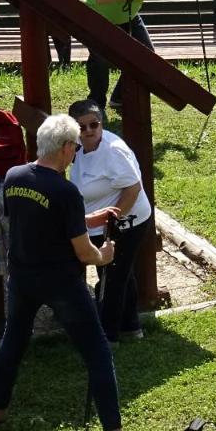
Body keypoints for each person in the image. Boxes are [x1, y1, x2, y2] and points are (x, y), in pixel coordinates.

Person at [0, 114, 146, 431]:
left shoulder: (14, 177)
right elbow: (84, 252)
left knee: (12, 343)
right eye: (74, 145)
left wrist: (92, 217)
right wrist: (104, 256)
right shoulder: (65, 190)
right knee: (98, 353)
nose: (76, 151)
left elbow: (40, 217)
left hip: (23, 280)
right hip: (61, 284)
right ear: (64, 148)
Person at [82, 0, 199, 114]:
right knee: (100, 59)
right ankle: (97, 103)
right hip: (97, 13)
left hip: (128, 14)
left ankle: (118, 99)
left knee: (146, 56)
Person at [69, 99, 153, 343]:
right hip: (98, 223)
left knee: (110, 278)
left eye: (94, 125)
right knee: (121, 274)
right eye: (82, 127)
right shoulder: (77, 147)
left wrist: (109, 220)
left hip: (127, 221)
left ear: (101, 124)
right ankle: (131, 326)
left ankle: (107, 336)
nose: (88, 131)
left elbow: (133, 188)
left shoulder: (113, 151)